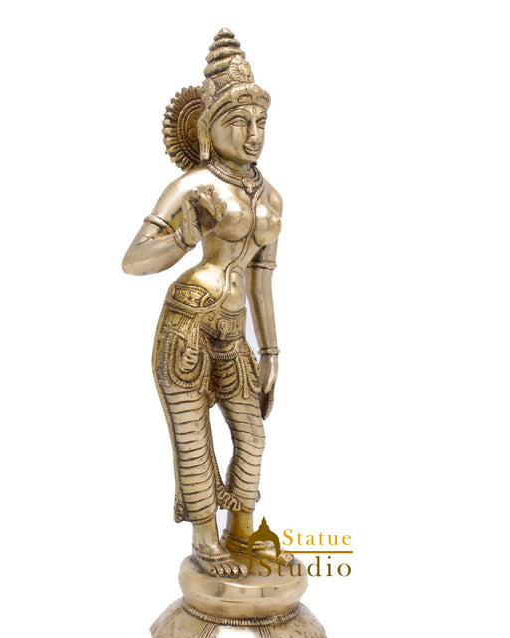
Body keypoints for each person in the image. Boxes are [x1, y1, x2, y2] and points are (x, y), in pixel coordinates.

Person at [122, 29, 281, 577]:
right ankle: (206, 539)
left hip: (234, 329)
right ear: (207, 129)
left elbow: (262, 282)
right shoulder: (192, 186)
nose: (253, 134)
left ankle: (243, 531)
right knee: (193, 438)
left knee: (252, 434)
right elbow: (133, 260)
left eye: (260, 122)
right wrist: (185, 236)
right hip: (187, 321)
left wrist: (272, 353)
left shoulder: (271, 197)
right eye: (238, 121)